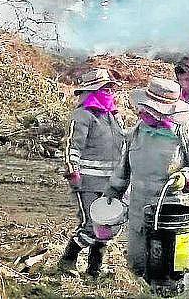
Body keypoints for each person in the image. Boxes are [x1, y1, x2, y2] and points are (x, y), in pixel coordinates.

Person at [104, 77, 189, 274]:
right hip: (141, 209)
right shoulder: (137, 131)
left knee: (173, 268)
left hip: (175, 212)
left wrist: (186, 178)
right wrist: (113, 192)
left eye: (150, 110)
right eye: (144, 107)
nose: (143, 112)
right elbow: (123, 167)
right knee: (137, 264)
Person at [58, 68, 125, 276]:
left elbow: (124, 144)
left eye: (111, 88)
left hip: (111, 183)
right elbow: (72, 146)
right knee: (90, 225)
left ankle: (94, 269)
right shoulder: (83, 115)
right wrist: (73, 171)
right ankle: (68, 260)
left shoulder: (113, 116)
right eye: (105, 89)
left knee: (107, 225)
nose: (109, 92)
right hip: (87, 182)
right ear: (92, 91)